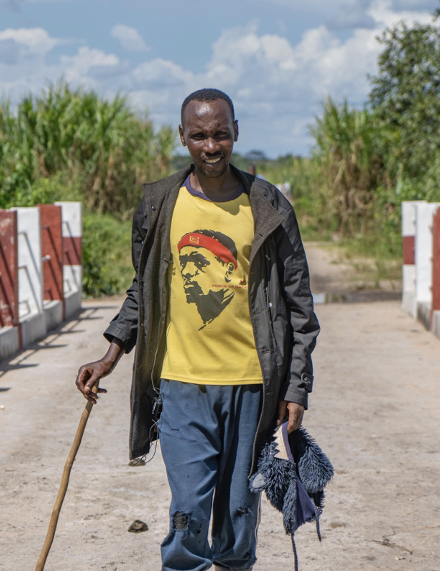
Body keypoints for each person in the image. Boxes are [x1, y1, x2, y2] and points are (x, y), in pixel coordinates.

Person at [75, 88, 319, 571]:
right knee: (187, 508)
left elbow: (300, 309)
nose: (212, 146)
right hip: (181, 385)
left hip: (253, 387)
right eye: (201, 136)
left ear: (236, 133)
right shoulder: (158, 204)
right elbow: (142, 291)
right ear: (182, 136)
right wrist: (110, 355)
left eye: (221, 134)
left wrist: (297, 386)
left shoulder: (268, 206)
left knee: (237, 512)